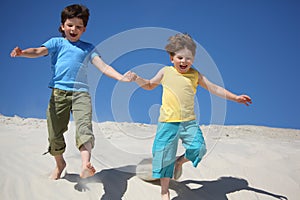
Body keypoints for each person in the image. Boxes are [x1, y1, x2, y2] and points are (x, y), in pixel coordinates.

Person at [10, 4, 135, 180]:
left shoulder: (88, 48)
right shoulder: (57, 43)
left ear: (84, 29)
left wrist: (121, 78)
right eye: (70, 25)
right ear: (62, 26)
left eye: (78, 26)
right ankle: (60, 164)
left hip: (80, 93)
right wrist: (23, 53)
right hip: (58, 94)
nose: (73, 29)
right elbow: (38, 51)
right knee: (54, 134)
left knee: (84, 127)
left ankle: (85, 165)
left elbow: (103, 66)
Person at [133, 33, 252, 200]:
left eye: (188, 58)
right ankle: (164, 191)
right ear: (171, 57)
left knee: (199, 148)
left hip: (188, 123)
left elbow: (214, 88)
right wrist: (138, 79)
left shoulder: (195, 75)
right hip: (168, 122)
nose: (184, 61)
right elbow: (150, 85)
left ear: (193, 59)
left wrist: (235, 97)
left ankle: (179, 162)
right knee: (164, 155)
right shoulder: (165, 72)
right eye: (180, 57)